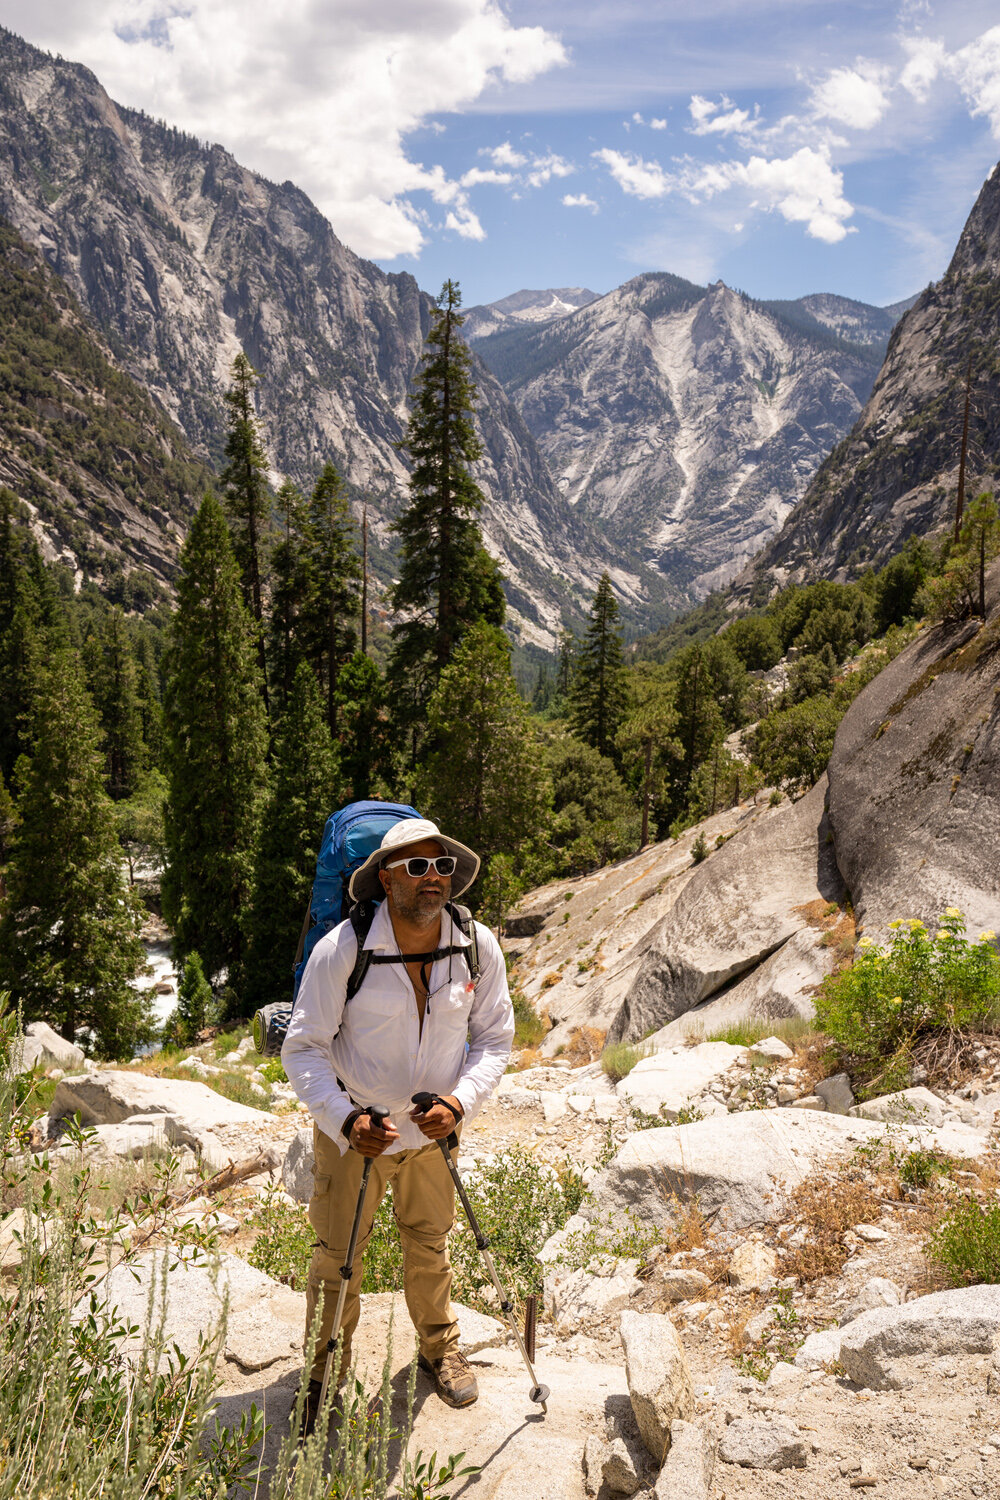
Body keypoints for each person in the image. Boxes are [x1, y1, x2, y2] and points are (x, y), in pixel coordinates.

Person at [282, 817, 514, 1433]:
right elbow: (302, 1048)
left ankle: (440, 1348)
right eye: (416, 867)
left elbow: (494, 1040)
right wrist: (345, 1118)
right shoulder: (344, 949)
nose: (433, 877)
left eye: (441, 865)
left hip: (433, 1135)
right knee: (337, 1258)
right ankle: (322, 1376)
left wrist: (459, 1103)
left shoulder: (475, 945)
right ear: (385, 879)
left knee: (430, 1244)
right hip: (352, 1137)